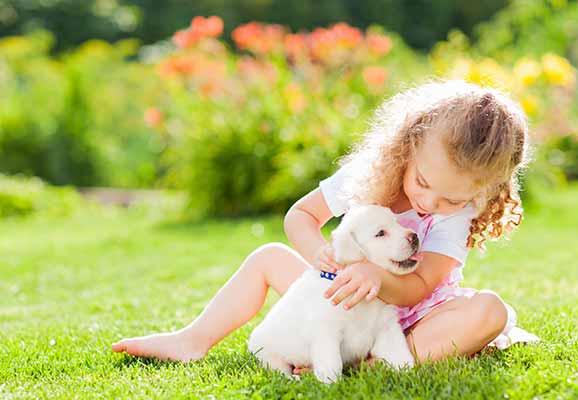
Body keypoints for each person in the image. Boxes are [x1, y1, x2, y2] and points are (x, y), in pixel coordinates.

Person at [111, 79, 539, 368]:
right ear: (407, 148)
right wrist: (321, 257)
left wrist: (376, 276)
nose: (429, 202)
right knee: (268, 258)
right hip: (343, 302)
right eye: (423, 183)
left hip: (413, 319)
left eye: (452, 199)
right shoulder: (368, 175)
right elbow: (301, 215)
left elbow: (420, 285)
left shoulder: (456, 215)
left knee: (489, 311)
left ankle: (382, 365)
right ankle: (193, 339)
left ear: (480, 194)